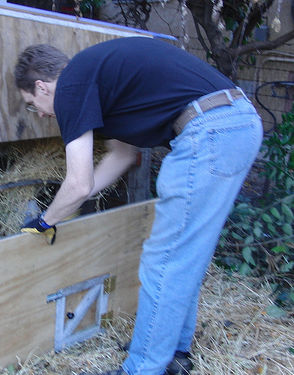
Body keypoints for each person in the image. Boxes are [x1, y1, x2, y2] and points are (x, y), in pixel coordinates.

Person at [15, 37, 263, 375]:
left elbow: (78, 183)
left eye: (32, 104)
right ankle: (173, 353)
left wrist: (44, 221)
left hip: (210, 131)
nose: (41, 113)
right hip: (235, 123)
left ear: (42, 87)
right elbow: (122, 155)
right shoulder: (96, 78)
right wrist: (69, 203)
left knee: (164, 261)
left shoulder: (72, 84)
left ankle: (143, 368)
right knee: (183, 257)